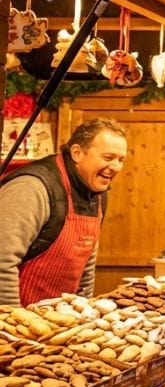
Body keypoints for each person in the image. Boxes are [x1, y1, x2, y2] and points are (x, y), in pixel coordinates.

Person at [0, 118, 128, 306]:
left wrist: (83, 312)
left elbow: (86, 263)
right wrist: (12, 321)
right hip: (15, 322)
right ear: (77, 153)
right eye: (108, 158)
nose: (116, 166)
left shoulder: (97, 193)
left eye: (121, 160)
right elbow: (2, 260)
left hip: (58, 321)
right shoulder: (31, 188)